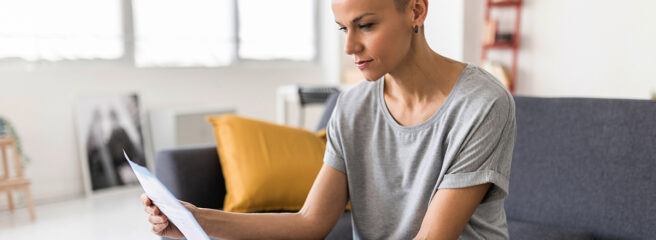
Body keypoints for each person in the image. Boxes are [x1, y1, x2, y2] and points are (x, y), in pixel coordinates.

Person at [142, 0, 516, 239]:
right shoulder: (352, 107)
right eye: (343, 28)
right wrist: (196, 220)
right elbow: (310, 222)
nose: (349, 47)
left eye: (366, 25)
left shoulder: (482, 104)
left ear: (416, 10)